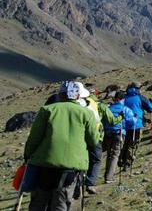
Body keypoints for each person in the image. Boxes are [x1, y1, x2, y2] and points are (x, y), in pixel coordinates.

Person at [24, 81, 100, 211]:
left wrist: (27, 155)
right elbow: (93, 140)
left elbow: (34, 138)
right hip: (71, 167)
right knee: (61, 203)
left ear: (60, 95)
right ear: (77, 96)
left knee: (39, 202)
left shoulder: (47, 110)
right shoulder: (86, 114)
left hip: (44, 164)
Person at [83, 84, 119, 194]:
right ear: (95, 94)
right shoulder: (100, 105)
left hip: (80, 136)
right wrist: (120, 117)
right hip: (95, 136)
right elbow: (111, 120)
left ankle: (78, 183)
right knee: (96, 160)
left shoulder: (81, 104)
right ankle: (89, 183)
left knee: (83, 159)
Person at [102, 90, 136, 183]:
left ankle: (107, 175)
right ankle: (109, 177)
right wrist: (135, 119)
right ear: (123, 99)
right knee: (115, 155)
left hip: (108, 134)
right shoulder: (125, 109)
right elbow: (131, 122)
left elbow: (104, 121)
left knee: (109, 154)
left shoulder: (108, 108)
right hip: (119, 133)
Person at [121, 82, 152, 171]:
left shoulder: (124, 97)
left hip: (124, 124)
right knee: (133, 144)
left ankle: (121, 160)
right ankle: (127, 164)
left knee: (125, 143)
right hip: (136, 124)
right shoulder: (140, 97)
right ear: (137, 88)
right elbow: (151, 108)